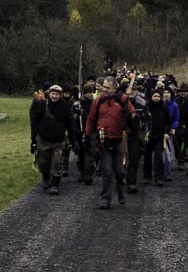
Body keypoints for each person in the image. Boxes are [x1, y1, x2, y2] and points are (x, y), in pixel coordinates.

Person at [85, 75, 136, 209]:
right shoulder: (98, 101)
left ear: (115, 87)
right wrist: (87, 134)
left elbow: (134, 115)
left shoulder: (123, 100)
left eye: (107, 88)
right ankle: (105, 199)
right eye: (104, 87)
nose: (104, 90)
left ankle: (120, 190)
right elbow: (91, 118)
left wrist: (130, 117)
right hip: (104, 139)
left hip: (120, 139)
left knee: (119, 170)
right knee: (106, 170)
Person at [30, 84, 76, 196]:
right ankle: (45, 177)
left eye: (56, 94)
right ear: (49, 94)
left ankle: (55, 184)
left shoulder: (65, 106)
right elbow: (34, 120)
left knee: (57, 162)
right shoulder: (42, 104)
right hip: (43, 139)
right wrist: (34, 138)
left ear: (60, 95)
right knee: (43, 162)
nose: (54, 96)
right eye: (52, 94)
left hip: (59, 140)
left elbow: (70, 124)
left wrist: (73, 140)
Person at [143, 89, 170, 186]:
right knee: (147, 156)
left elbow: (168, 121)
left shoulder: (164, 107)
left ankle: (159, 177)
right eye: (155, 96)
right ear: (151, 97)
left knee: (158, 156)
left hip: (159, 135)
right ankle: (147, 176)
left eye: (158, 96)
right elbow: (144, 120)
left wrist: (166, 132)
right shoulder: (147, 106)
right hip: (149, 135)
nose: (156, 98)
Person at [73, 83, 97, 184]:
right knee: (81, 153)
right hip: (80, 131)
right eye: (89, 93)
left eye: (92, 92)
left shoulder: (95, 104)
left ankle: (88, 174)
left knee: (91, 152)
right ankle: (82, 173)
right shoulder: (78, 104)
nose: (91, 94)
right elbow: (72, 119)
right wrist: (76, 114)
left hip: (92, 131)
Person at [162, 87, 179, 181]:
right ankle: (159, 172)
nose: (166, 94)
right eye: (164, 92)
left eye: (168, 92)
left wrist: (173, 127)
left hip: (169, 132)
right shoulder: (159, 104)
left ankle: (167, 173)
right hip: (159, 131)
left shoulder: (174, 105)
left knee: (168, 154)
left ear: (171, 94)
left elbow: (177, 119)